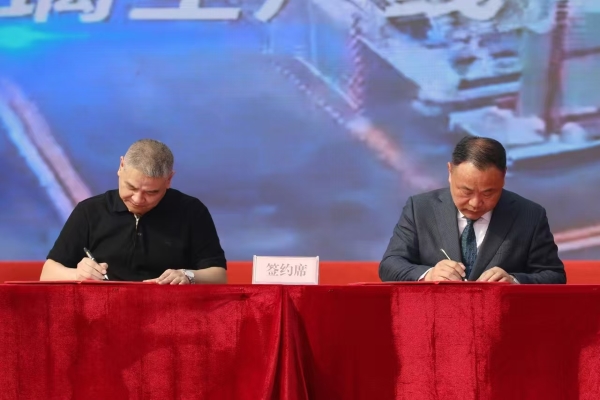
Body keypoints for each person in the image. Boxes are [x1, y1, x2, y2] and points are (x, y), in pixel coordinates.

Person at [379, 136, 566, 284]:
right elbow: (390, 265)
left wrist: (514, 281)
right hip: (436, 316)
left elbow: (554, 276)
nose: (476, 203)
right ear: (450, 172)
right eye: (466, 192)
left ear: (503, 177)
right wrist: (429, 274)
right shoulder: (420, 208)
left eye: (488, 193)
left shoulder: (529, 215)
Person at [40, 139, 227, 284]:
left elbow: (218, 276)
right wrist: (77, 274)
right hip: (101, 313)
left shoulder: (192, 212)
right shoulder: (89, 211)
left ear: (169, 180)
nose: (138, 199)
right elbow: (48, 273)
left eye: (151, 192)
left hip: (170, 312)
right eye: (131, 187)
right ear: (121, 166)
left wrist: (188, 275)